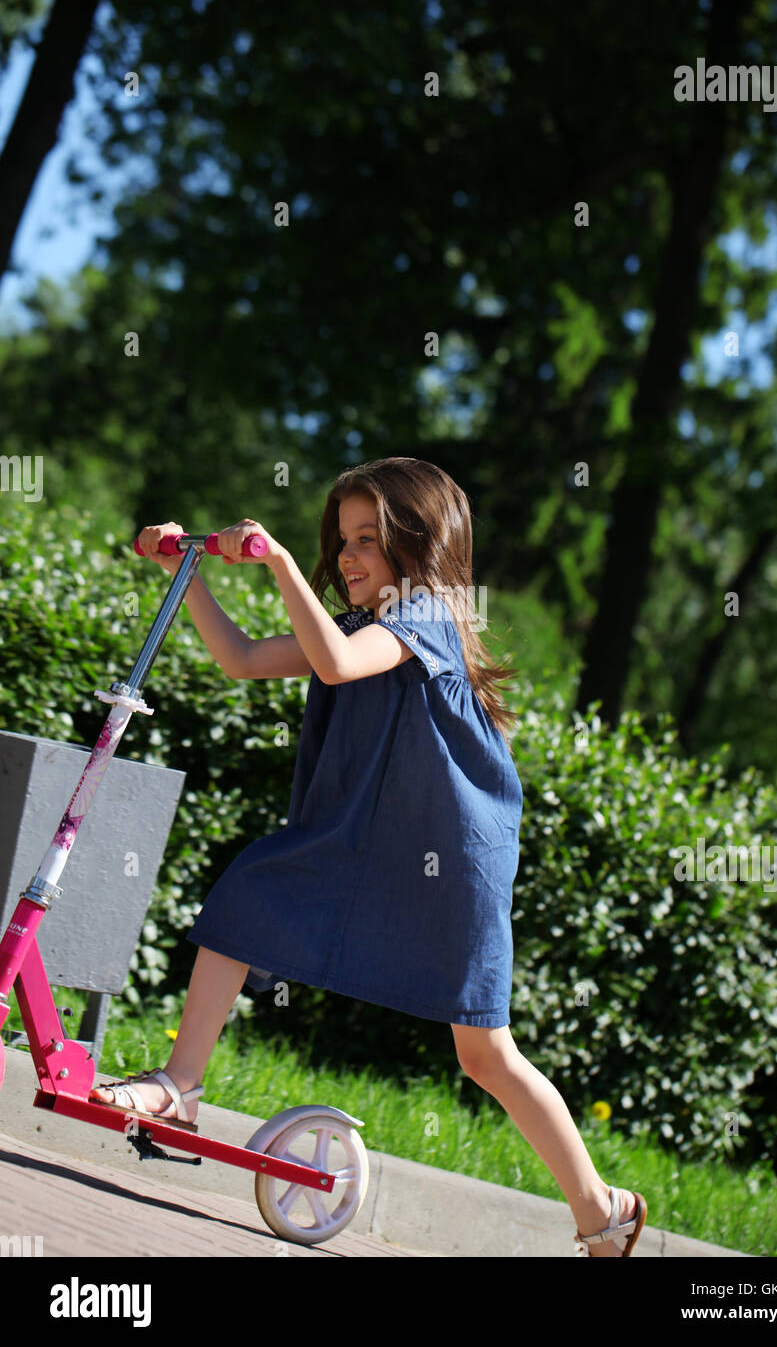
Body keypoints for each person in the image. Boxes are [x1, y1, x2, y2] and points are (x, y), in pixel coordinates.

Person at [91, 456, 646, 1257]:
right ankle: (179, 1088)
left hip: (449, 864)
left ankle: (600, 1208)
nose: (347, 555)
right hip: (363, 842)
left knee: (485, 1053)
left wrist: (280, 563)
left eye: (368, 540)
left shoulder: (428, 617)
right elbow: (244, 659)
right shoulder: (355, 624)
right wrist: (188, 575)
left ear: (419, 547)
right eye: (341, 538)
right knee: (248, 895)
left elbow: (338, 666)